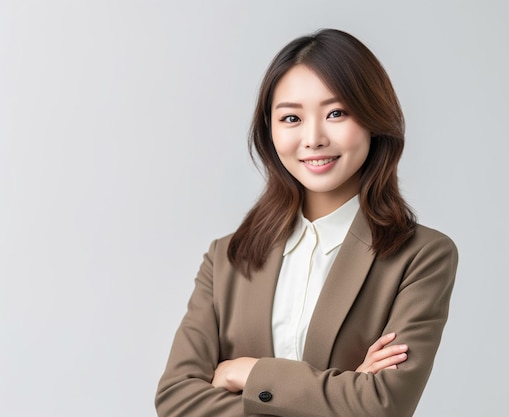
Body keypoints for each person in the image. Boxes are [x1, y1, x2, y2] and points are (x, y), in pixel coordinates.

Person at [155, 28, 458, 417]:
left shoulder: (421, 256)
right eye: (292, 118)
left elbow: (383, 405)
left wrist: (247, 374)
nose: (313, 138)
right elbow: (176, 400)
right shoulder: (226, 258)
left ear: (372, 119)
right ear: (270, 129)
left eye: (336, 113)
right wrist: (341, 394)